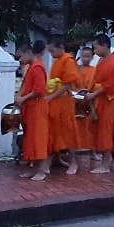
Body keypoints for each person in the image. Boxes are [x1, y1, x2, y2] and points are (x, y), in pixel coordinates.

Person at [85, 34, 114, 174]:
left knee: (106, 131)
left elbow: (112, 85)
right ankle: (106, 162)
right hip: (100, 100)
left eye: (96, 47)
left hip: (109, 100)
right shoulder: (102, 61)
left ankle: (105, 164)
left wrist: (94, 94)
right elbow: (96, 80)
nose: (94, 51)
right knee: (100, 130)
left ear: (105, 45)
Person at [15, 42, 49, 181]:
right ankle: (33, 169)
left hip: (37, 108)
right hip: (30, 108)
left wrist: (23, 99)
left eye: (20, 56)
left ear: (28, 53)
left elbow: (39, 90)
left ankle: (41, 171)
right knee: (30, 139)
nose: (19, 60)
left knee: (38, 139)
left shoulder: (38, 68)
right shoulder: (31, 68)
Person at [46, 37, 81, 175]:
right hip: (55, 102)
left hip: (64, 101)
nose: (51, 54)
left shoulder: (68, 60)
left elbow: (67, 85)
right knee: (54, 130)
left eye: (53, 51)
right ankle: (56, 159)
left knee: (68, 131)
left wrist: (51, 97)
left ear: (60, 48)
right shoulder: (57, 61)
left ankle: (73, 162)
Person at [76, 47, 98, 160]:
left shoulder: (94, 70)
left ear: (92, 57)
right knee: (76, 129)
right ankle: (74, 152)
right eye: (83, 56)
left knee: (91, 129)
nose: (85, 59)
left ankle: (93, 152)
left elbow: (96, 86)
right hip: (77, 102)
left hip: (90, 102)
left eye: (88, 56)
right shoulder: (76, 69)